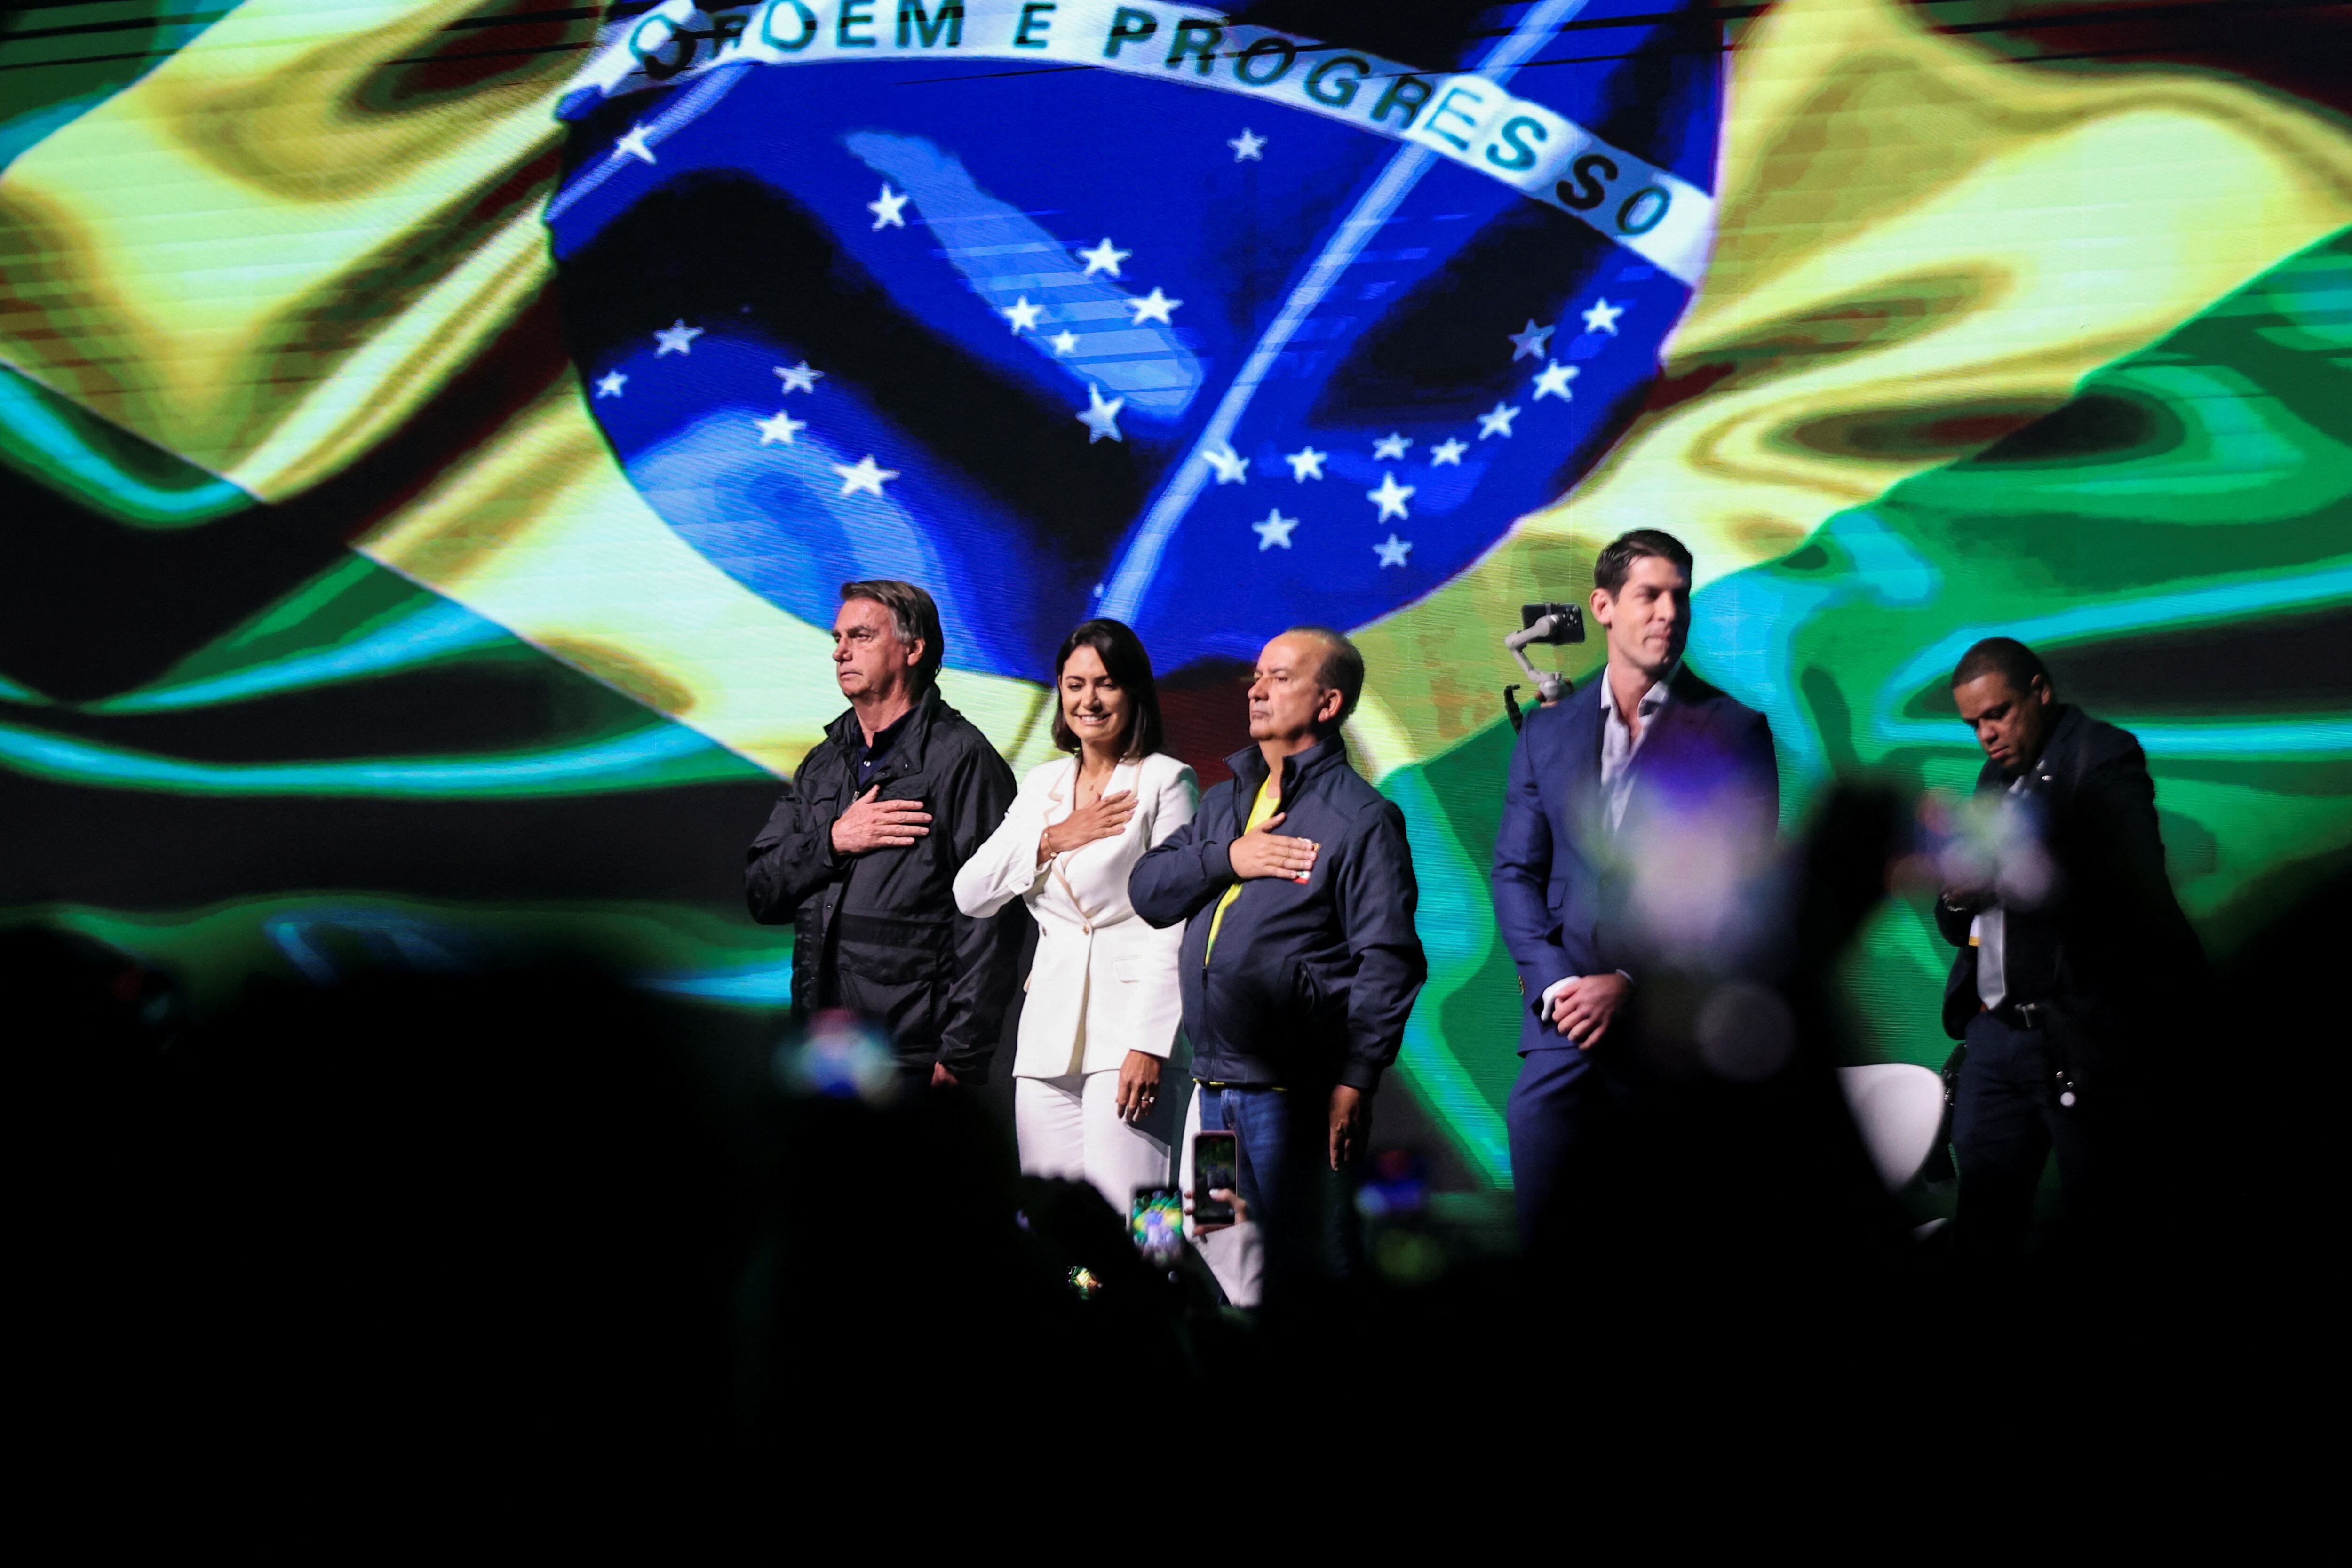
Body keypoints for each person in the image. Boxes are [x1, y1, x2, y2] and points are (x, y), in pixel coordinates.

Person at [1490, 529, 1780, 1252]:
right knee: (1550, 1251)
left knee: (1662, 1253)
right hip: (1561, 1036)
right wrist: (1559, 986)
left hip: (1672, 1038)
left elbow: (1736, 894)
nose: (1668, 612)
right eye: (1649, 594)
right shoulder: (1547, 736)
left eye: (1680, 596)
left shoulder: (1735, 729)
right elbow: (1516, 873)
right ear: (1604, 606)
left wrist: (1629, 983)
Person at [1128, 626, 1426, 1283]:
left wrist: (1357, 1078)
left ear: (1328, 703)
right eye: (1257, 675)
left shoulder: (1361, 819)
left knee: (1309, 1263)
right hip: (1214, 1092)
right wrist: (1230, 857)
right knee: (1219, 1251)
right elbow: (1149, 891)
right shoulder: (1226, 801)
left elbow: (1390, 958)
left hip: (1291, 1097)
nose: (1258, 689)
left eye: (1281, 677)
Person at [1935, 636, 2203, 1264]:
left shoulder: (2102, 755)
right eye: (1973, 723)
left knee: (2109, 1225)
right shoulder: (1990, 781)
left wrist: (2004, 870)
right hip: (1996, 1039)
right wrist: (1956, 894)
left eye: (1997, 714)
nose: (1986, 735)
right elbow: (1961, 926)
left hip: (2082, 1037)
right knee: (1983, 1232)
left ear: (2040, 692)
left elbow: (2129, 887)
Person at [953, 621, 1198, 1214]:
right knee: (1052, 1220)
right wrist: (1051, 839)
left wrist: (1151, 1044)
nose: (1088, 700)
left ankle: (1159, 1307)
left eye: (1106, 684)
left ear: (1134, 692)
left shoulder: (1167, 780)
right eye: (1074, 684)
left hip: (1131, 1031)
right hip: (1047, 1034)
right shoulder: (1044, 785)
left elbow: (1177, 921)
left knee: (1142, 1213)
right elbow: (970, 892)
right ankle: (1070, 1310)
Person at [746, 580, 1018, 1087]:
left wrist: (962, 1054)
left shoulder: (963, 761)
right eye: (837, 638)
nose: (839, 652)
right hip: (821, 1049)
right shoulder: (823, 764)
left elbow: (991, 920)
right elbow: (763, 891)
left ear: (913, 650)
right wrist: (832, 841)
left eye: (861, 636)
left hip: (909, 1055)